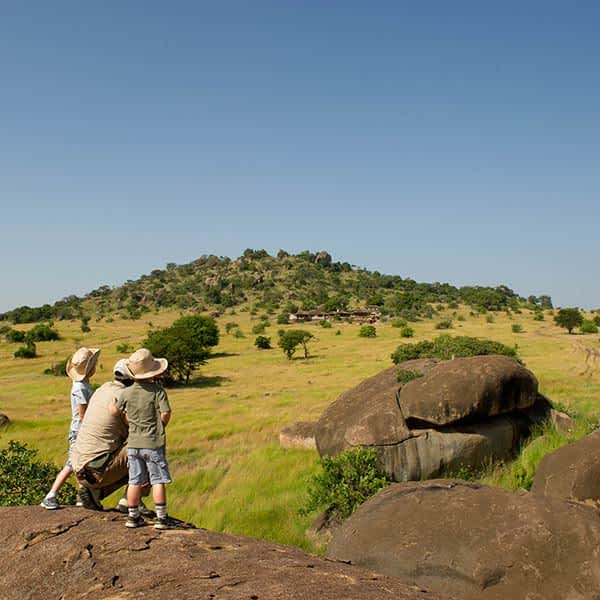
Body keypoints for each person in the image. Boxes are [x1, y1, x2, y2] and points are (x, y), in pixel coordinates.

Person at [71, 358, 150, 512]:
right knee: (147, 446)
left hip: (79, 468)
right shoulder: (126, 396)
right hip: (97, 469)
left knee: (121, 455)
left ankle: (94, 493)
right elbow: (141, 428)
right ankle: (131, 500)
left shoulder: (103, 388)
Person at [110, 348, 173, 530]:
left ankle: (132, 517)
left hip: (133, 444)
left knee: (134, 480)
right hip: (153, 443)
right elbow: (166, 412)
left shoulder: (126, 392)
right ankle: (161, 518)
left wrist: (112, 404)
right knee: (157, 480)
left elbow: (115, 411)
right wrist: (160, 425)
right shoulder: (158, 391)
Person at [41, 347, 100, 510]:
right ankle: (51, 495)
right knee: (72, 464)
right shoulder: (80, 387)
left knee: (79, 464)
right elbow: (83, 414)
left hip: (81, 430)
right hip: (81, 430)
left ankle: (81, 496)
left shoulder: (82, 384)